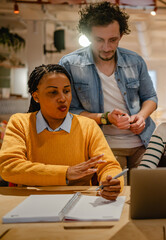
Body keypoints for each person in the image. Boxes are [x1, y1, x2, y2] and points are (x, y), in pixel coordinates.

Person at [59, 2, 158, 178]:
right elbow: (69, 112)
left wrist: (141, 117)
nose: (106, 48)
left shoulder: (135, 61)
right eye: (99, 40)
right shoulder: (70, 64)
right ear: (88, 35)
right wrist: (105, 118)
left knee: (147, 195)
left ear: (121, 35)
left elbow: (150, 97)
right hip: (103, 145)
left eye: (113, 40)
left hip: (143, 142)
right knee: (115, 196)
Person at [0, 64, 123, 200]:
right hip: (29, 200)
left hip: (79, 200)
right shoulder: (20, 123)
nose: (62, 98)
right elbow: (9, 167)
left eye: (66, 91)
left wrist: (111, 181)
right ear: (36, 96)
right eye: (53, 92)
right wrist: (65, 173)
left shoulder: (88, 126)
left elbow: (109, 165)